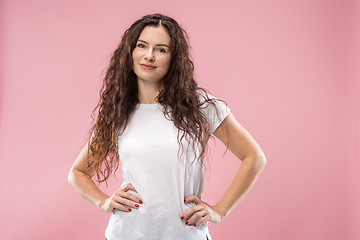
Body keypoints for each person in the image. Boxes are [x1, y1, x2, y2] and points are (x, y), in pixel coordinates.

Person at [67, 13, 266, 240]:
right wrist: (103, 201)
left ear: (174, 59)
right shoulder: (118, 111)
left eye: (161, 49)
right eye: (142, 45)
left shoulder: (200, 107)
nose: (149, 55)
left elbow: (254, 157)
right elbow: (78, 172)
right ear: (130, 51)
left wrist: (220, 210)